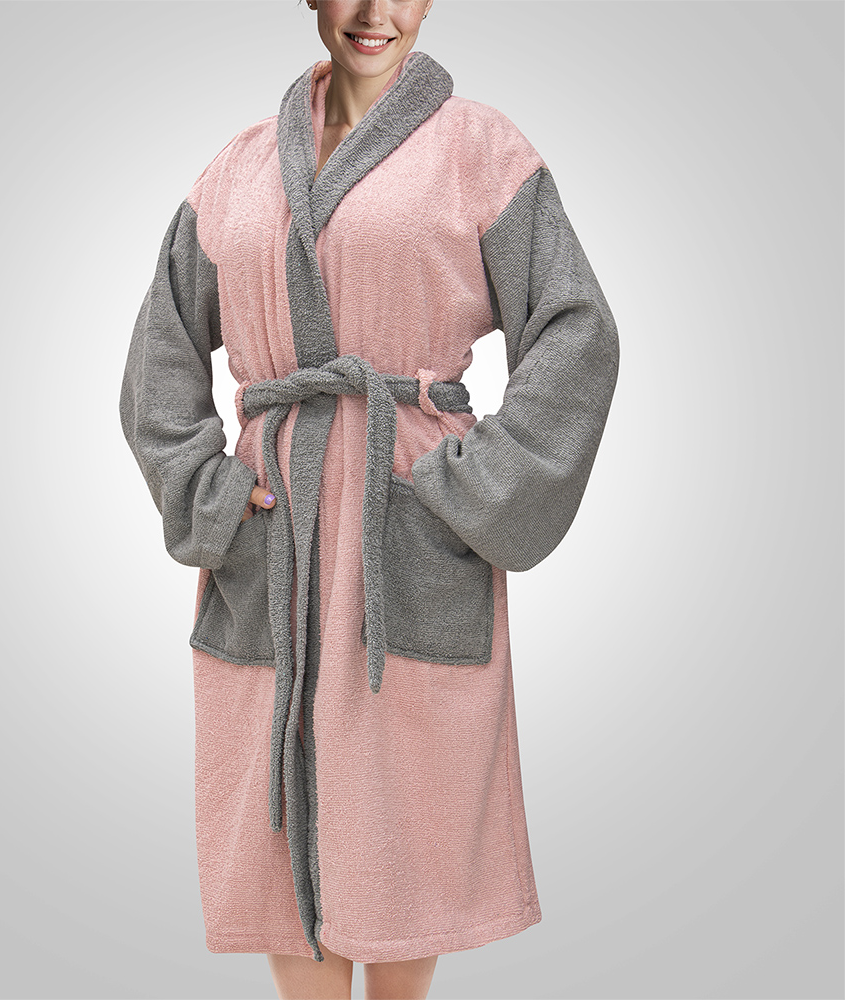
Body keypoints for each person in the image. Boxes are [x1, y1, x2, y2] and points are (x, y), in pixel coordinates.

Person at [118, 0, 620, 996]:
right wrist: (209, 492)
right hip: (273, 524)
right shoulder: (236, 169)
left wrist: (475, 485)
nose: (373, 12)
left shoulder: (481, 151)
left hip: (405, 517)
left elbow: (576, 331)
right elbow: (160, 351)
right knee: (273, 805)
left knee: (402, 810)